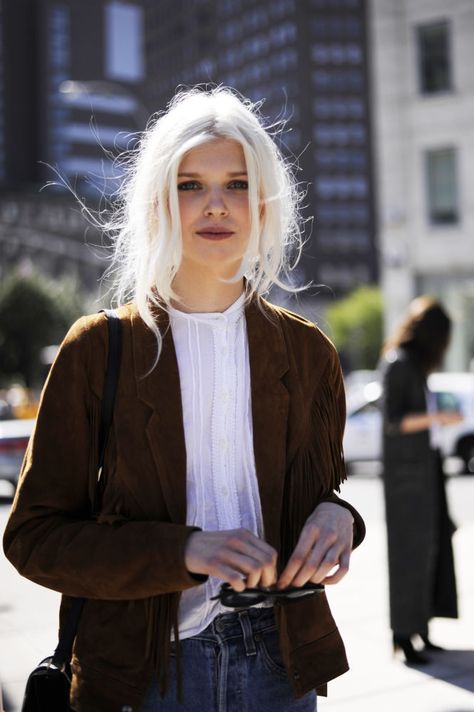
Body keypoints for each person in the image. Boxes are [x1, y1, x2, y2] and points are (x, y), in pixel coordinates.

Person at [3, 87, 365, 712]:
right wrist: (184, 552)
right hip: (145, 676)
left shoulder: (308, 353)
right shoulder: (97, 349)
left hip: (282, 667)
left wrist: (341, 520)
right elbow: (34, 538)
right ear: (159, 202)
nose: (216, 205)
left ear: (264, 201)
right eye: (191, 185)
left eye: (238, 183)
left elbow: (321, 495)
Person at [380, 296, 461, 665]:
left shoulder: (416, 367)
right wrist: (437, 418)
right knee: (408, 554)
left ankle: (423, 629)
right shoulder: (398, 365)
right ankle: (403, 636)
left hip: (426, 468)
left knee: (432, 546)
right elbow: (393, 423)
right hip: (405, 478)